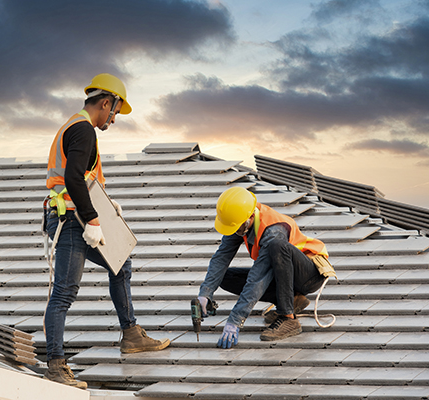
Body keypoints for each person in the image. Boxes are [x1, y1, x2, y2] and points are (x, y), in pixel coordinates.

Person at [43, 73, 170, 388]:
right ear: (105, 103)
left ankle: (131, 334)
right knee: (64, 292)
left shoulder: (75, 127)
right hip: (72, 222)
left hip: (78, 218)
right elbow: (72, 178)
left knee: (120, 262)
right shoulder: (84, 130)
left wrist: (105, 204)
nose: (114, 119)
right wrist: (93, 220)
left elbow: (82, 178)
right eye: (114, 112)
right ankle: (56, 366)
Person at [195, 186, 330, 349]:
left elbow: (258, 278)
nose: (237, 232)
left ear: (250, 216)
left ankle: (288, 318)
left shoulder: (273, 230)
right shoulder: (240, 220)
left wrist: (235, 320)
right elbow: (221, 258)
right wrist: (206, 292)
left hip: (309, 275)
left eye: (238, 228)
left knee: (277, 246)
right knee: (225, 277)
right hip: (287, 277)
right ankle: (292, 300)